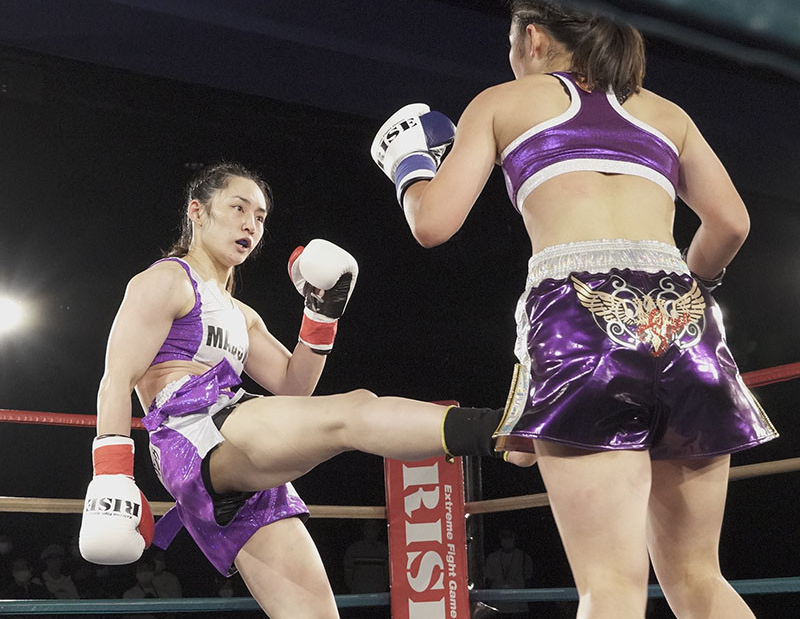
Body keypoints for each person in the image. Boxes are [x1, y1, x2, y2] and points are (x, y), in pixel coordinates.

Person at [370, 0, 777, 619]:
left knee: (609, 586)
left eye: (511, 43)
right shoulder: (665, 113)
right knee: (698, 578)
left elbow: (432, 223)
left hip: (581, 313)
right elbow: (731, 223)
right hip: (682, 318)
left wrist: (409, 166)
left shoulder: (503, 102)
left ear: (533, 38)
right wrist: (684, 290)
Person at [78, 162, 526, 619]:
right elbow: (116, 378)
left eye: (260, 217)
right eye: (238, 208)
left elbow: (294, 387)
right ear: (197, 211)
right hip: (191, 431)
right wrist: (112, 477)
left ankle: (507, 431)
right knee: (352, 412)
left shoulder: (242, 315)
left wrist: (321, 314)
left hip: (236, 442)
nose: (250, 225)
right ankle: (505, 428)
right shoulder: (166, 280)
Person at [483, 529, 534, 617]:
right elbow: (489, 580)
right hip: (496, 606)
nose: (507, 539)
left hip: (518, 606)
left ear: (514, 537)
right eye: (504, 536)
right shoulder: (492, 557)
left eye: (509, 536)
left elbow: (528, 580)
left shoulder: (524, 557)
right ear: (500, 538)